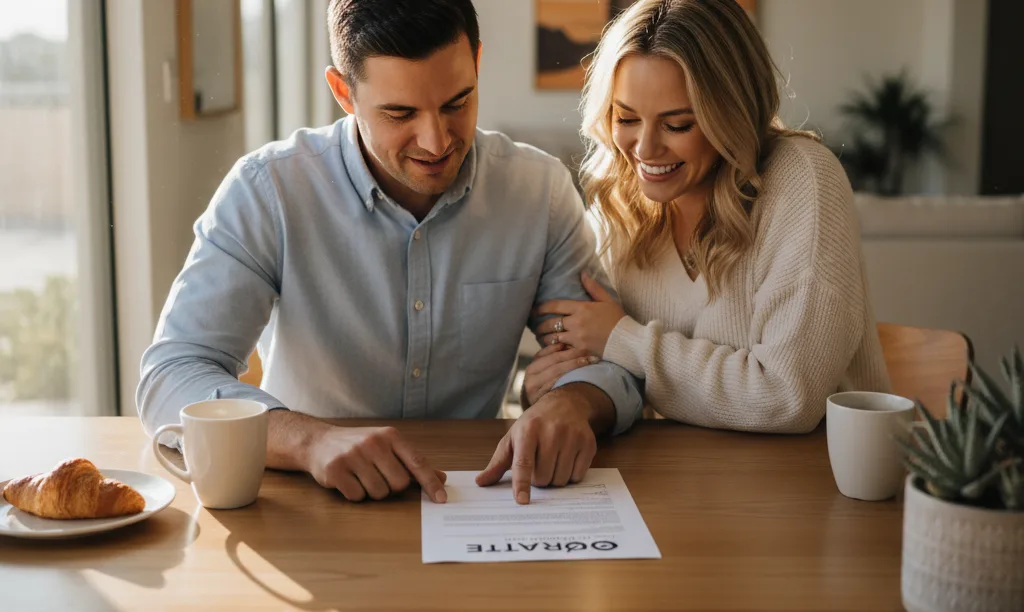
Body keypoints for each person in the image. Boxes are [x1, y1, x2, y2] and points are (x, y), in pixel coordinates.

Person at [138, 0, 643, 506]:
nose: (437, 140)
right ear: (344, 93)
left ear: (477, 63)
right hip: (312, 501)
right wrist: (308, 439)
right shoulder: (267, 191)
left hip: (476, 497)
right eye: (400, 113)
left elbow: (606, 360)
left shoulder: (538, 191)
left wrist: (574, 401)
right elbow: (172, 373)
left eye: (457, 102)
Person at [524, 0, 890, 434]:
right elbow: (614, 376)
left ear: (731, 114)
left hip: (818, 482)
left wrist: (624, 343)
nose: (643, 150)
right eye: (626, 118)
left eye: (677, 125)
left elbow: (787, 397)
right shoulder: (619, 207)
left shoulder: (803, 179)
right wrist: (562, 384)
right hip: (676, 481)